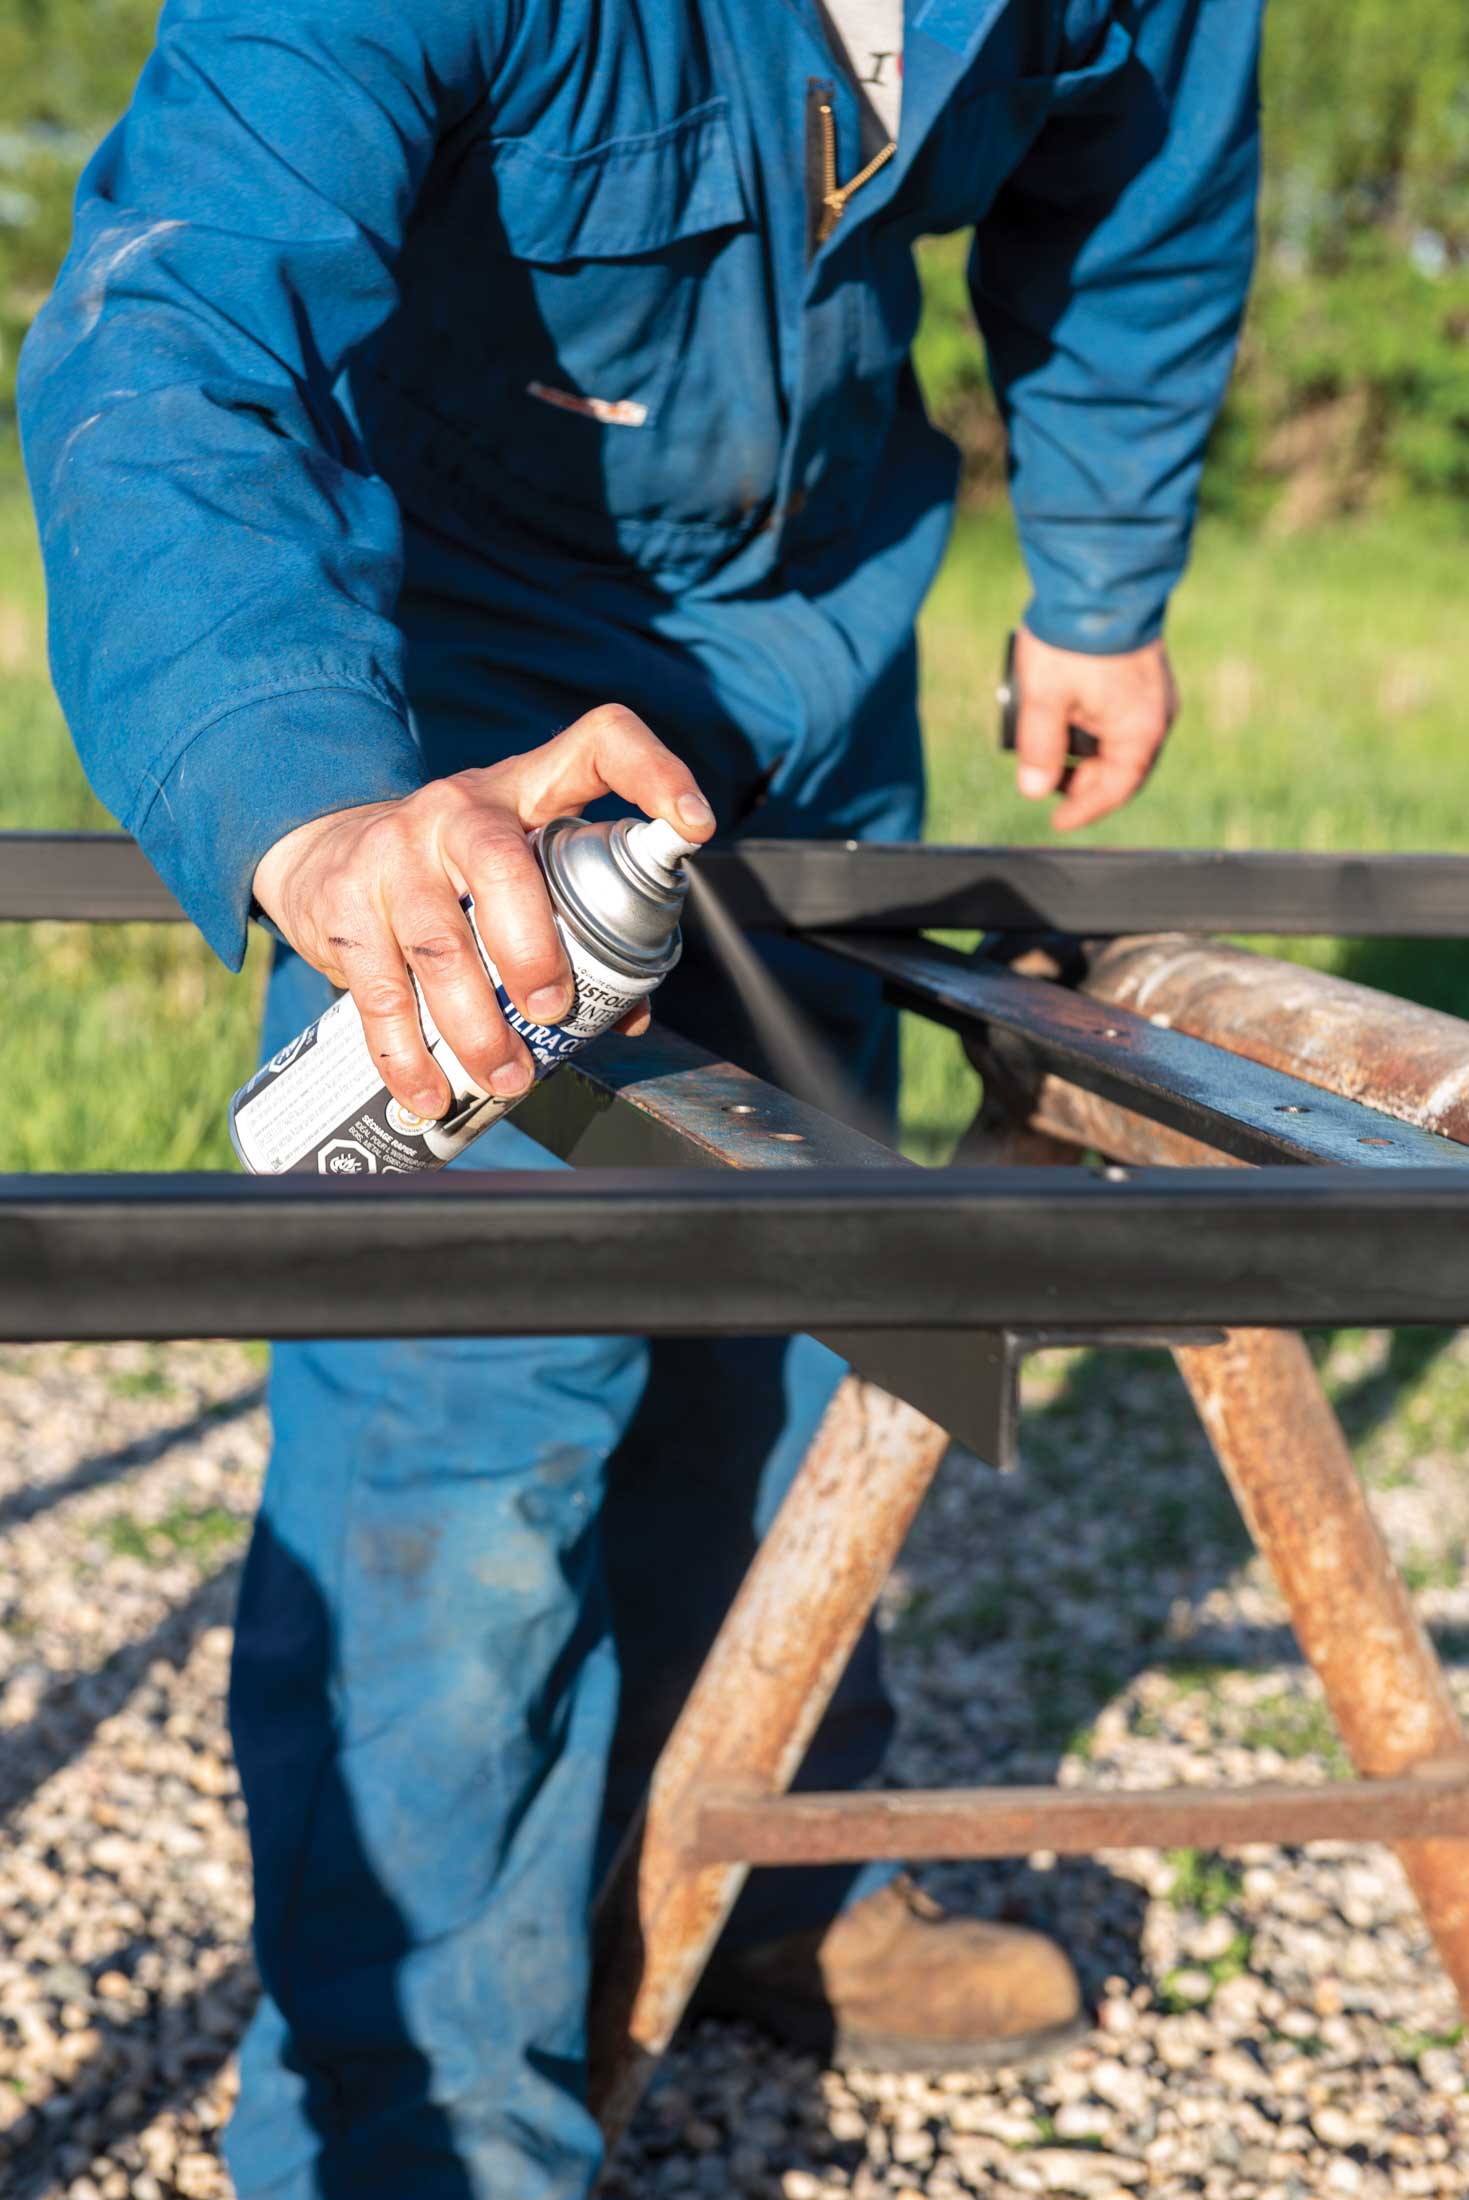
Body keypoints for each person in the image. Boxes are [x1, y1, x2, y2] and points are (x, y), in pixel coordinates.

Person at [19, 1, 1264, 2192]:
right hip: (460, 698)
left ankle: (764, 1875)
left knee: (797, 1327)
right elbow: (172, 328)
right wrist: (320, 808)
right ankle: (418, 2131)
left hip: (807, 667)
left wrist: (1101, 572)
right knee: (472, 1454)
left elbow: (1143, 187)